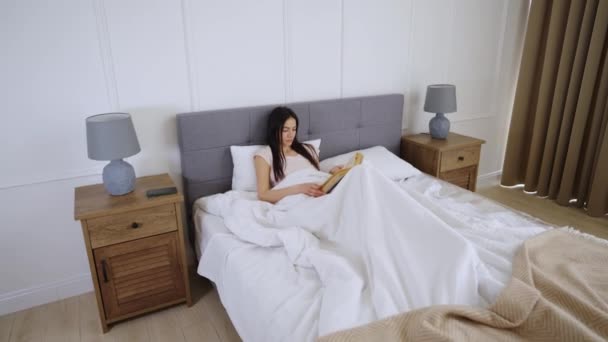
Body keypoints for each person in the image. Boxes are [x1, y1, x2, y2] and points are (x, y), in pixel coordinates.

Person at [254, 106, 341, 203]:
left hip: (321, 193)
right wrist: (300, 188)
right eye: (285, 130)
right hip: (298, 199)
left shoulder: (308, 149)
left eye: (294, 129)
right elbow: (263, 195)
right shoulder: (265, 155)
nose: (291, 135)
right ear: (274, 130)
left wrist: (333, 172)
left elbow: (315, 174)